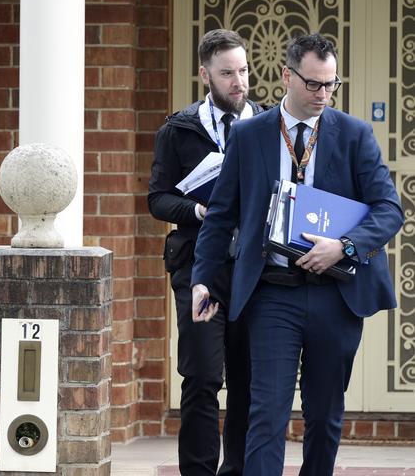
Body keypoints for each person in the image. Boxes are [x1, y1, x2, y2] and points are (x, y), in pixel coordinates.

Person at [190, 33, 404, 476]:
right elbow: (220, 216)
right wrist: (203, 280)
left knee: (324, 417)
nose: (323, 94)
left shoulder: (355, 135)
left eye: (331, 84)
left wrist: (343, 247)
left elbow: (389, 209)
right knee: (266, 413)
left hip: (336, 295)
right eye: (313, 84)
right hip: (272, 294)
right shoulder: (250, 136)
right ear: (287, 75)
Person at [148, 29, 267, 476]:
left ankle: (236, 470)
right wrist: (200, 208)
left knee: (247, 381)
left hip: (256, 270)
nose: (239, 82)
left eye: (243, 71)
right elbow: (157, 199)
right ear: (205, 75)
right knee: (201, 377)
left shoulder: (270, 126)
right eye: (227, 73)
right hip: (199, 267)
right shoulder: (177, 130)